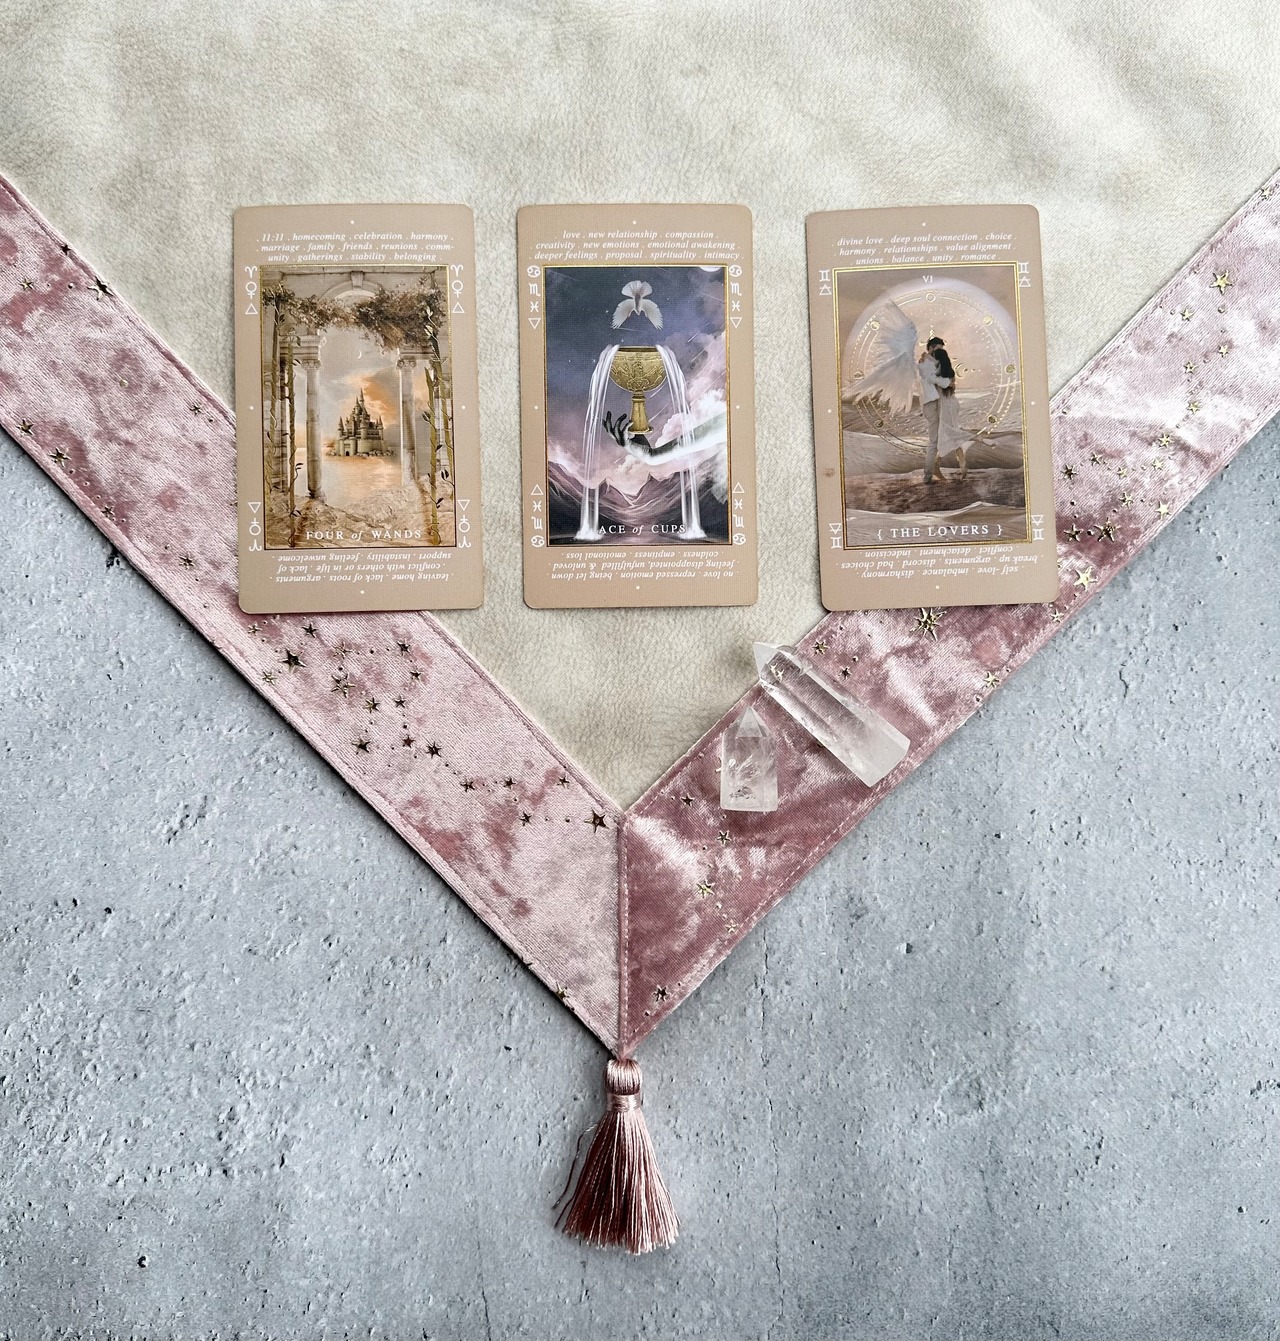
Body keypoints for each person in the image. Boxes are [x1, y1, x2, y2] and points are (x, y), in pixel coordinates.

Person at [918, 336, 966, 483]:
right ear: (930, 348)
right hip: (931, 404)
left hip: (935, 403)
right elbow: (933, 379)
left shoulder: (932, 362)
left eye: (941, 349)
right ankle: (929, 474)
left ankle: (933, 470)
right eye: (937, 348)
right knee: (935, 440)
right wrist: (948, 384)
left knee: (940, 437)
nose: (939, 352)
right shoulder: (926, 362)